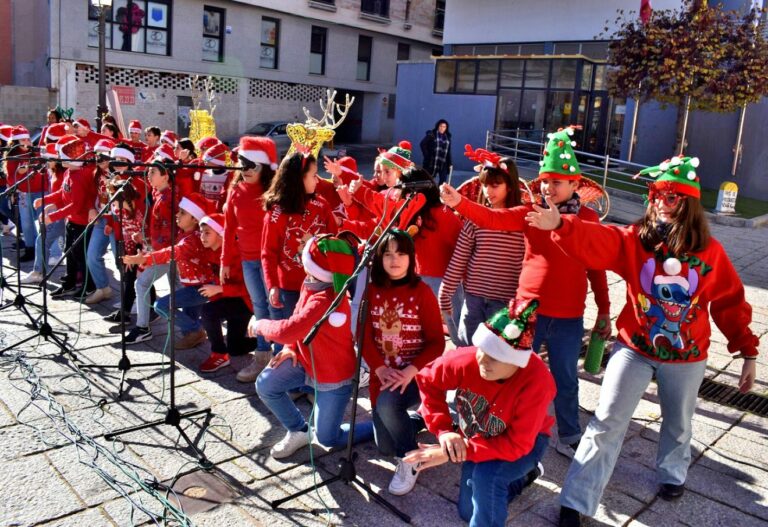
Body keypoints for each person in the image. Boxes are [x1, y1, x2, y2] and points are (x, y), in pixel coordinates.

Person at [524, 155, 761, 527]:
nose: (659, 204)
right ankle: (577, 500)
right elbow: (601, 239)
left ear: (689, 205)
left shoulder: (710, 253)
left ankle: (672, 473)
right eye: (655, 194)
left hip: (687, 356)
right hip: (633, 348)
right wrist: (562, 225)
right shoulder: (636, 239)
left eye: (670, 197)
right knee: (606, 421)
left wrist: (747, 352)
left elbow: (730, 301)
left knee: (678, 421)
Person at [438, 126, 611, 459]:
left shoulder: (588, 219)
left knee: (564, 376)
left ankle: (569, 432)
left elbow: (596, 269)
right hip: (525, 312)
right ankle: (511, 426)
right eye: (544, 181)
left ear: (575, 184)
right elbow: (491, 218)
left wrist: (604, 310)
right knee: (513, 373)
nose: (547, 187)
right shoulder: (530, 213)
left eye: (556, 182)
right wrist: (460, 202)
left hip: (568, 315)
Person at [404, 298, 556, 527]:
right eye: (482, 349)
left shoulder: (537, 383)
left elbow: (517, 444)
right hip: (480, 434)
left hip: (526, 443)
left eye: (495, 356)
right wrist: (444, 430)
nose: (483, 361)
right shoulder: (467, 360)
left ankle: (521, 469)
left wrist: (456, 452)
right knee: (469, 511)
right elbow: (427, 380)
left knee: (486, 478)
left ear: (517, 362)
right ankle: (524, 476)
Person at [251, 235, 374, 459]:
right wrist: (289, 347)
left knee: (328, 438)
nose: (298, 256)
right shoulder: (311, 282)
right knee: (266, 384)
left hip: (333, 377)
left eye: (302, 255)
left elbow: (287, 329)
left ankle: (378, 428)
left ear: (313, 265)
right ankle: (299, 431)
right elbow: (297, 320)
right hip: (305, 361)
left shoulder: (324, 298)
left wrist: (260, 324)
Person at [360, 229, 444, 495]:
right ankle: (415, 421)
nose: (394, 260)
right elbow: (362, 335)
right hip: (383, 375)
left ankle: (411, 459)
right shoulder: (370, 291)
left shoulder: (422, 292)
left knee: (388, 406)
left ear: (411, 258)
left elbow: (437, 342)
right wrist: (379, 367)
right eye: (387, 254)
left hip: (415, 375)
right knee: (384, 447)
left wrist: (410, 370)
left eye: (401, 253)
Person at [439, 148, 525, 346]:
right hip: (474, 298)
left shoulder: (521, 221)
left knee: (497, 358)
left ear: (510, 186)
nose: (488, 191)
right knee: (467, 350)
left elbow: (526, 264)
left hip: (505, 302)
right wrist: (445, 291)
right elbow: (460, 257)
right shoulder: (474, 220)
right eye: (485, 185)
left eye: (496, 185)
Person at [222, 137, 279, 382]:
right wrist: (225, 259)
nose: (244, 171)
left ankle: (280, 359)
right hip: (247, 260)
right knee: (259, 306)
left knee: (275, 306)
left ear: (263, 167)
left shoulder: (273, 193)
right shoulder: (235, 190)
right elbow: (228, 227)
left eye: (251, 166)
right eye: (241, 165)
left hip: (270, 261)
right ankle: (263, 356)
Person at [127, 192, 214, 349]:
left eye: (182, 212)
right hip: (193, 285)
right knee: (188, 319)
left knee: (161, 305)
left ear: (195, 219)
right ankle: (194, 335)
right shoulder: (186, 234)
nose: (177, 215)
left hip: (199, 288)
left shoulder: (191, 240)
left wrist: (143, 259)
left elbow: (170, 253)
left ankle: (197, 331)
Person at [261, 152, 338, 322]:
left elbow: (335, 240)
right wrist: (272, 285)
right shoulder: (276, 213)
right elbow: (269, 252)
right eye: (313, 176)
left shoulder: (322, 205)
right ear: (299, 179)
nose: (317, 180)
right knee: (295, 335)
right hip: (290, 288)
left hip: (322, 284)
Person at [122, 161, 175, 344]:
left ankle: (143, 327)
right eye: (149, 172)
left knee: (142, 283)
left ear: (165, 176)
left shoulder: (168, 199)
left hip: (168, 252)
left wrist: (147, 245)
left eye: (153, 172)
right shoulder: (157, 193)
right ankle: (190, 329)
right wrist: (143, 237)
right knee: (174, 288)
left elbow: (168, 233)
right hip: (162, 250)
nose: (149, 175)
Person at [197, 213, 257, 373]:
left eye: (207, 232)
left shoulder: (237, 253)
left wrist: (220, 290)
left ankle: (219, 353)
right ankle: (266, 339)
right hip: (228, 299)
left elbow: (250, 287)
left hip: (244, 302)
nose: (202, 237)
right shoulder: (209, 250)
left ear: (221, 234)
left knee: (208, 311)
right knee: (236, 348)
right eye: (201, 232)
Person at [45, 135, 98, 298]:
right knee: (69, 252)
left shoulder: (81, 175)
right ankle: (69, 283)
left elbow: (77, 205)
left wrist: (53, 217)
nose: (60, 160)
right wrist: (45, 200)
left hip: (82, 222)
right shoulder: (69, 172)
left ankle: (88, 286)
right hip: (72, 221)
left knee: (81, 256)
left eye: (64, 157)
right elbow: (63, 192)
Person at [419, 119, 452, 185]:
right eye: (441, 126)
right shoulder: (432, 134)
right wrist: (427, 155)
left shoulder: (447, 137)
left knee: (443, 180)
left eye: (444, 127)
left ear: (446, 128)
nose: (442, 128)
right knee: (428, 179)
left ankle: (440, 193)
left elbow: (448, 151)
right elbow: (422, 144)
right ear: (437, 126)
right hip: (432, 160)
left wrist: (450, 162)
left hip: (443, 161)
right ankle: (428, 192)